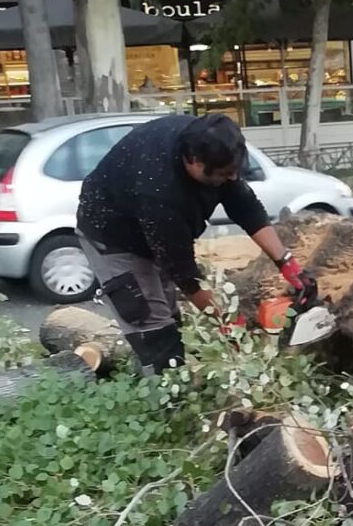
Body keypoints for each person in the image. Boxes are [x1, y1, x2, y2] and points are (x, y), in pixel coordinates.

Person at [76, 112, 317, 374]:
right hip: (112, 236)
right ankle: (165, 401)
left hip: (153, 230)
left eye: (234, 172)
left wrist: (286, 262)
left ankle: (148, 376)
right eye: (225, 174)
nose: (232, 178)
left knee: (171, 317)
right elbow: (185, 275)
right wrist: (227, 323)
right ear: (193, 162)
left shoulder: (211, 144)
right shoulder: (160, 193)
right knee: (154, 330)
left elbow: (244, 205)